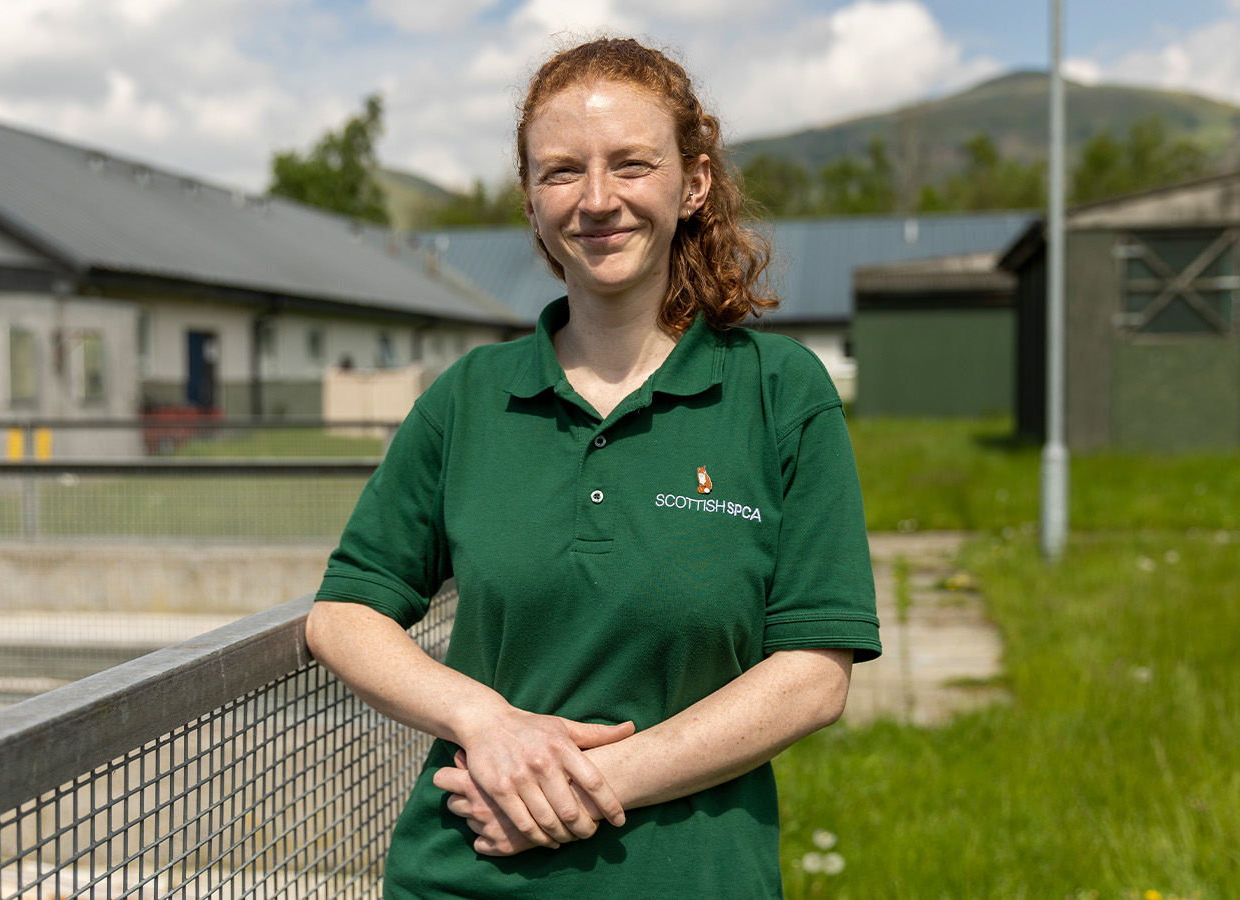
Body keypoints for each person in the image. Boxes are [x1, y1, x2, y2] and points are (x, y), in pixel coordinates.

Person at [305, 36, 880, 899]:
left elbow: (811, 676)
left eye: (631, 164)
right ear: (532, 204)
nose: (598, 200)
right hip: (464, 874)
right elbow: (345, 613)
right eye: (562, 172)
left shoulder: (776, 392)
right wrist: (484, 720)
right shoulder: (467, 399)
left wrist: (584, 785)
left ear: (693, 184)